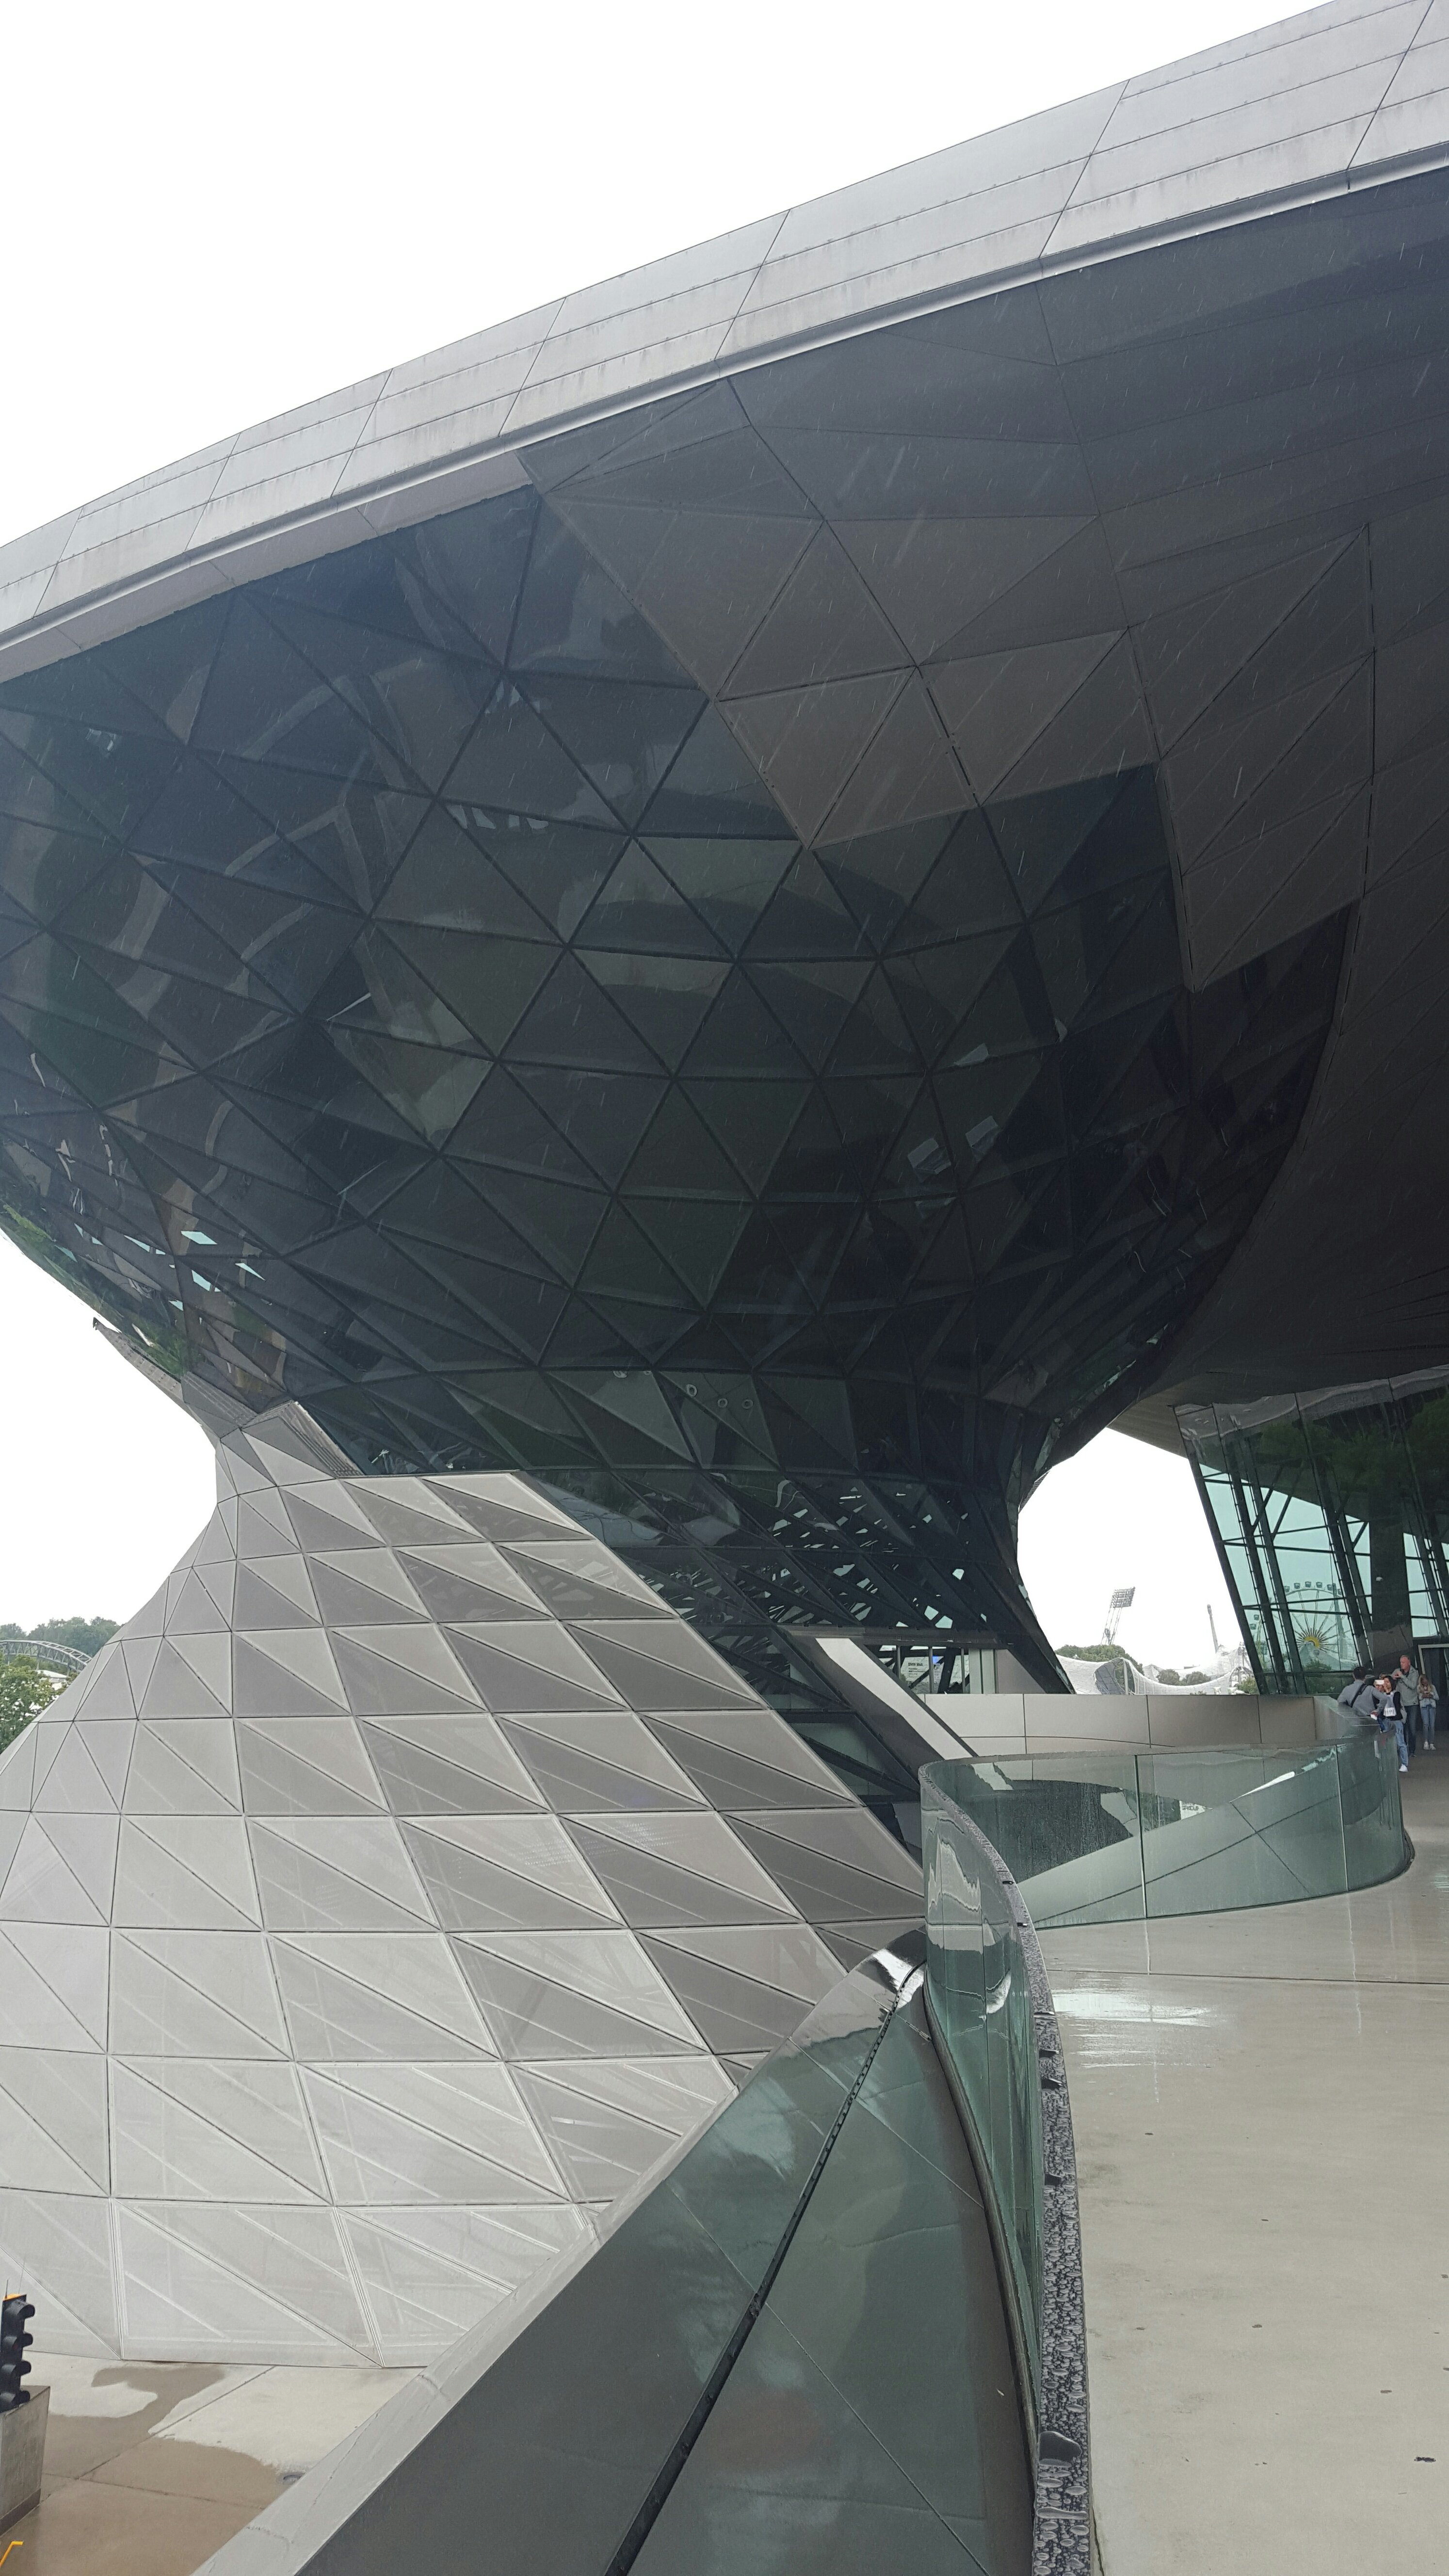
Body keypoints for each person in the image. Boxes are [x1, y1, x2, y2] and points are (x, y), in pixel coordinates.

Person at [1373, 1675, 1410, 1773]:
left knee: (1400, 1742)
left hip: (1396, 1720)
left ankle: (1405, 1764)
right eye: (1384, 1682)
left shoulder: (1396, 1694)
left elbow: (1395, 1704)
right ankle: (1389, 1764)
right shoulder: (1381, 1696)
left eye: (1387, 1682)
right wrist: (1378, 1689)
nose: (1385, 1684)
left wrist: (1387, 1692)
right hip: (1386, 1720)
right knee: (1386, 1743)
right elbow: (1377, 1704)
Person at [1394, 1653, 1423, 1758]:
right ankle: (1403, 1748)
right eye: (1401, 1662)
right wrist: (1394, 1678)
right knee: (1401, 1728)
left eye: (1403, 1662)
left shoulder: (1415, 1673)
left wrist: (1402, 1677)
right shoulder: (1397, 1671)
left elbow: (1413, 1685)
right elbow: (1390, 1681)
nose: (1401, 1664)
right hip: (1401, 1704)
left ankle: (1412, 1750)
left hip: (1412, 1704)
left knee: (1412, 1728)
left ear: (1409, 1663)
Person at [1420, 1668, 1440, 1753]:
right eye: (1423, 1681)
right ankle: (1426, 1742)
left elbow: (1437, 1697)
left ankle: (1432, 1743)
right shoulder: (1419, 1688)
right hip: (1424, 1707)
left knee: (1432, 1725)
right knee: (1426, 1724)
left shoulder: (1433, 1687)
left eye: (1426, 1681)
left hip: (1432, 1707)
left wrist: (1431, 1695)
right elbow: (1419, 1698)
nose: (1425, 1683)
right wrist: (1423, 1695)